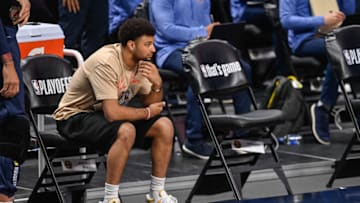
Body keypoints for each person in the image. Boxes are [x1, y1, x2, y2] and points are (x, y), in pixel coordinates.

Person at [54, 18, 178, 203]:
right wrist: (147, 113)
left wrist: (157, 85)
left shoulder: (141, 63)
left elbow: (150, 103)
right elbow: (112, 113)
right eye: (148, 44)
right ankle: (110, 198)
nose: (153, 49)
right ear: (131, 45)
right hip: (74, 116)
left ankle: (156, 193)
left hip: (101, 115)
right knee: (126, 130)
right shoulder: (106, 62)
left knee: (164, 125)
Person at [150, 0, 252, 160]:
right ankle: (193, 141)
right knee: (197, 72)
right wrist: (203, 31)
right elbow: (166, 29)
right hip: (172, 50)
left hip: (201, 47)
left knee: (241, 67)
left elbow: (207, 27)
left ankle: (242, 136)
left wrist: (213, 32)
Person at [280, 0, 355, 145]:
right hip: (306, 39)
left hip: (335, 34)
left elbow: (349, 13)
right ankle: (323, 107)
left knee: (350, 48)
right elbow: (286, 20)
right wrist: (322, 20)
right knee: (339, 51)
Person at [0, 0, 31, 202]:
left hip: (8, 35)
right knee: (11, 128)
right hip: (4, 50)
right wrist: (7, 62)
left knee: (14, 131)